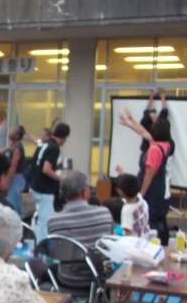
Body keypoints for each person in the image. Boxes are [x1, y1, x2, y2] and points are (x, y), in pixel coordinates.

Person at [47, 170, 113, 293]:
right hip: (100, 279)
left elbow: (56, 252)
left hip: (69, 280)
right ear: (85, 191)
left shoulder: (53, 220)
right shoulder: (104, 213)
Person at [118, 107, 173, 245]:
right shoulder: (165, 144)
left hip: (151, 189)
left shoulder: (154, 149)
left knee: (149, 219)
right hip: (159, 188)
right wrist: (130, 121)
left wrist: (141, 193)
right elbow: (142, 131)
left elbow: (149, 173)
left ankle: (148, 245)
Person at [27, 122, 70, 242]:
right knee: (45, 222)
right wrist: (61, 179)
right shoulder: (54, 148)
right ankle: (42, 247)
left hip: (34, 185)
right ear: (65, 137)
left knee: (39, 217)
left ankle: (33, 242)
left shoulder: (43, 144)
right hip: (44, 189)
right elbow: (46, 169)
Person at [4, 124, 26, 217]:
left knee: (14, 204)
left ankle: (17, 225)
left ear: (17, 136)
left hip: (16, 178)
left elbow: (13, 167)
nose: (9, 132)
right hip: (15, 177)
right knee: (14, 202)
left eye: (12, 131)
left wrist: (7, 182)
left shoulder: (17, 149)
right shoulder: (12, 146)